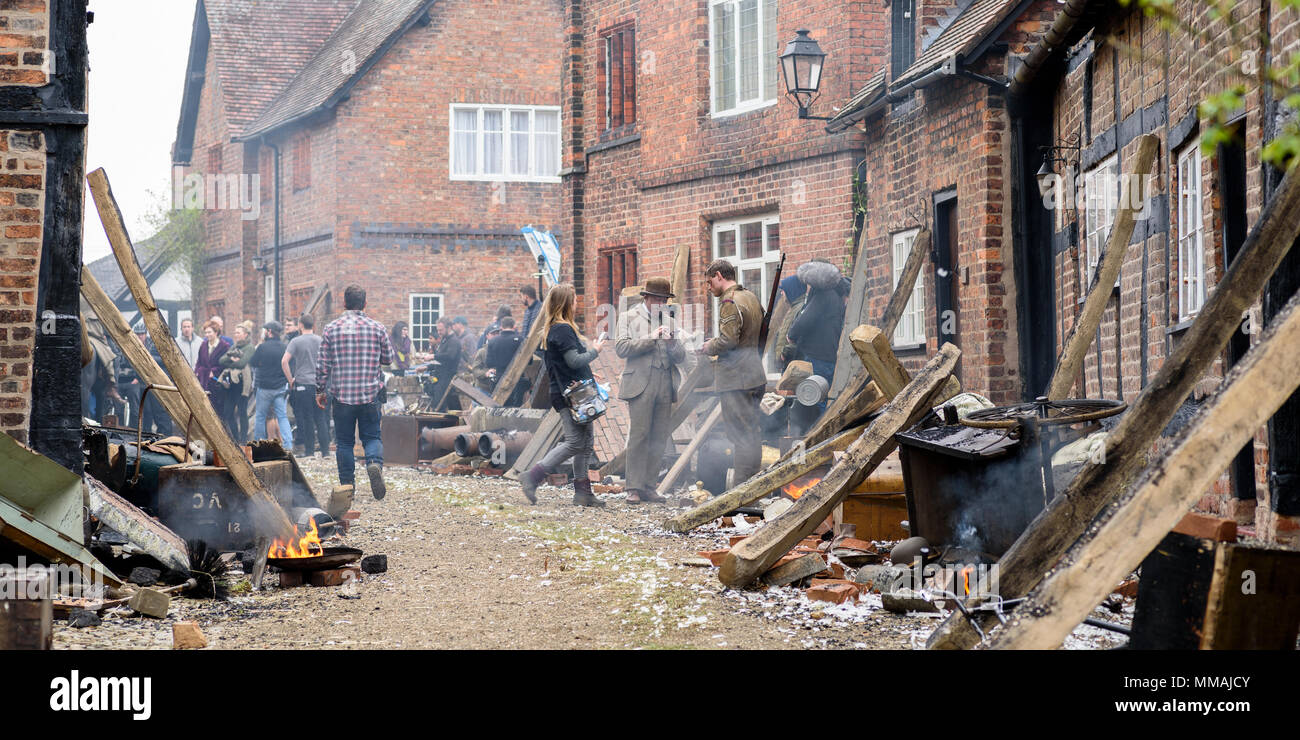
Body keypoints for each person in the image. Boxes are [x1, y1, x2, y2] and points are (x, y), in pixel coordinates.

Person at [518, 283, 606, 508]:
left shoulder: (556, 329)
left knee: (586, 444)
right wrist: (595, 351)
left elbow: (565, 364)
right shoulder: (562, 329)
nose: (577, 304)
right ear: (566, 303)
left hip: (571, 392)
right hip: (570, 396)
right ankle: (532, 477)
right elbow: (574, 360)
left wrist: (587, 372)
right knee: (576, 442)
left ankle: (583, 492)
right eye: (575, 300)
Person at [316, 285, 394, 499]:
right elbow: (388, 359)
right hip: (370, 394)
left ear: (344, 303)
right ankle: (373, 464)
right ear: (365, 303)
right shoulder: (377, 328)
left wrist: (320, 390)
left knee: (344, 442)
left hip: (342, 396)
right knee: (371, 437)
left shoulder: (331, 328)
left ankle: (347, 486)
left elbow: (323, 364)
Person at [616, 277, 685, 504]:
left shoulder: (670, 321)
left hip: (665, 382)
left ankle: (648, 486)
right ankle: (633, 487)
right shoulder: (628, 317)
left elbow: (681, 356)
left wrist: (673, 344)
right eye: (657, 299)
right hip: (640, 383)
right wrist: (651, 338)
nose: (661, 303)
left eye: (664, 300)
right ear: (646, 298)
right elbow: (622, 348)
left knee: (659, 437)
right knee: (640, 435)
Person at [700, 259, 766, 485]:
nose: (709, 288)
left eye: (710, 282)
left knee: (741, 436)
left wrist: (709, 347)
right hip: (754, 374)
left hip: (737, 379)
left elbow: (728, 340)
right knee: (751, 433)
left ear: (719, 276)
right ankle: (752, 486)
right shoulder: (750, 296)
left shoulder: (730, 301)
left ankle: (742, 491)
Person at [785, 259, 847, 390]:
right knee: (823, 393)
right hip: (828, 354)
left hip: (817, 356)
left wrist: (792, 335)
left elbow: (805, 319)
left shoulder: (823, 296)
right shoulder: (836, 296)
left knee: (816, 397)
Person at [283, 313, 331, 457]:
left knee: (307, 418)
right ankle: (326, 452)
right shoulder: (321, 340)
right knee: (321, 417)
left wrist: (290, 379)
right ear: (313, 325)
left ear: (300, 325)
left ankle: (309, 452)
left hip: (303, 384)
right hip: (319, 385)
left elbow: (284, 361)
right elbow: (329, 360)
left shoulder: (296, 341)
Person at [251, 321, 293, 448]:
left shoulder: (262, 347)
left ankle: (258, 444)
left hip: (264, 387)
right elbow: (290, 364)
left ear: (269, 332)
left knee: (260, 416)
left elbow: (253, 362)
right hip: (280, 387)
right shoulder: (285, 347)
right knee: (282, 416)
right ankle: (288, 445)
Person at [217, 322, 255, 442]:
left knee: (242, 412)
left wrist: (232, 361)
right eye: (235, 333)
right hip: (231, 385)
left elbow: (242, 363)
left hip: (242, 384)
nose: (236, 335)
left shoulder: (249, 347)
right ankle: (235, 438)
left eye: (238, 333)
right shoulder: (234, 347)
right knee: (228, 412)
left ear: (245, 334)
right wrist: (233, 360)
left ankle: (243, 440)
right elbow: (221, 360)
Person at [195, 320, 232, 424]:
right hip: (204, 381)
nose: (207, 335)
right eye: (206, 332)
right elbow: (199, 361)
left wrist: (214, 372)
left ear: (216, 332)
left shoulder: (225, 346)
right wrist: (197, 372)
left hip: (217, 383)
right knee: (205, 409)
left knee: (218, 411)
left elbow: (226, 364)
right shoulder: (203, 345)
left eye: (209, 332)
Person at [485, 316, 523, 388]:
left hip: (499, 377)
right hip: (517, 379)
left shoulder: (493, 341)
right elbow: (528, 360)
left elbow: (489, 363)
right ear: (514, 326)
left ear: (501, 327)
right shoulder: (520, 340)